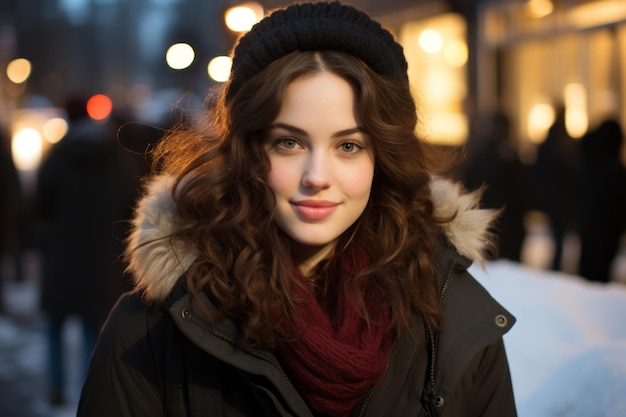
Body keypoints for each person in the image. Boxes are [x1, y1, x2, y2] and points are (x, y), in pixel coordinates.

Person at [78, 2, 517, 416]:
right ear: (248, 152)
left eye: (348, 146)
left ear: (381, 159)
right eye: (289, 142)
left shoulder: (454, 320)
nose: (317, 176)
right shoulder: (150, 334)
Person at [34, 95, 138, 406]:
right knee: (95, 333)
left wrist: (47, 239)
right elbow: (131, 211)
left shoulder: (56, 157)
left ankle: (56, 387)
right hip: (102, 260)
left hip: (61, 258)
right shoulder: (119, 160)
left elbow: (40, 207)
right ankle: (87, 392)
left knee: (55, 327)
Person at [464, 111, 531, 262]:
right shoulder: (510, 157)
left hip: (485, 221)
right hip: (507, 225)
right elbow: (522, 193)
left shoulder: (480, 155)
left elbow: (469, 188)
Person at [577, 119, 626, 282]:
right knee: (598, 272)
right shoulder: (612, 169)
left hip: (590, 225)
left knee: (590, 271)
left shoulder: (590, 163)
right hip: (605, 228)